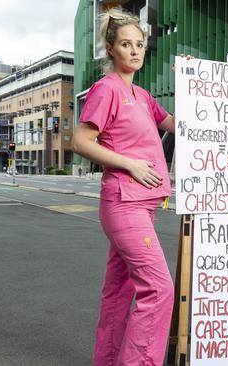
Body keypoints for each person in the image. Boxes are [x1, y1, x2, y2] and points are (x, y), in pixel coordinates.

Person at [72, 8, 176, 366]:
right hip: (123, 203)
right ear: (111, 49)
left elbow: (179, 125)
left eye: (139, 44)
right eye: (125, 44)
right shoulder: (107, 89)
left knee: (119, 292)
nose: (134, 50)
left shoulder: (144, 97)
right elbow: (81, 141)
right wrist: (129, 163)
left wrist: (192, 79)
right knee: (160, 289)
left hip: (141, 206)